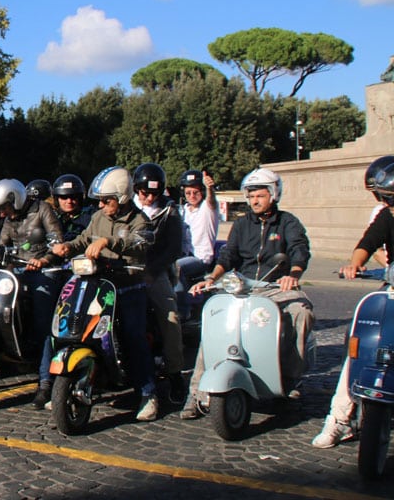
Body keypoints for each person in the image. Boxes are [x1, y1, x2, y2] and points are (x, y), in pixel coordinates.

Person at [312, 159, 394, 448]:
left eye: (390, 198)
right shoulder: (387, 217)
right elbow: (367, 243)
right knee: (364, 343)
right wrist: (354, 264)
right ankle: (339, 420)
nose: (385, 203)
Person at [181, 167, 314, 419]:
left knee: (301, 312)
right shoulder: (242, 224)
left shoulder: (288, 222)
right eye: (251, 196)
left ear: (273, 195)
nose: (254, 201)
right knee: (212, 324)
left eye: (260, 196)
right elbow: (228, 254)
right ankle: (196, 393)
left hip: (275, 287)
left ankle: (290, 378)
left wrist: (292, 276)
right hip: (242, 285)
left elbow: (299, 250)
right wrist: (212, 278)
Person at [51, 166, 159, 421]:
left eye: (106, 200)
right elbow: (85, 238)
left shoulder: (139, 220)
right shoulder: (99, 217)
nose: (101, 204)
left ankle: (148, 394)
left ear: (121, 197)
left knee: (133, 336)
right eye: (99, 200)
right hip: (98, 285)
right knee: (81, 325)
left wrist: (109, 242)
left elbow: (140, 243)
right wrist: (67, 246)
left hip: (128, 287)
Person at [0, 178, 63, 409]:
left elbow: (58, 242)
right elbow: (2, 244)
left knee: (43, 322)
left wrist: (44, 260)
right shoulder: (10, 219)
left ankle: (46, 381)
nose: (1, 214)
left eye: (3, 208)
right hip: (17, 273)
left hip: (45, 272)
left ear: (15, 200)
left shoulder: (43, 210)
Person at [132, 163, 186, 404]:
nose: (149, 197)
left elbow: (174, 248)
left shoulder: (170, 211)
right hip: (122, 270)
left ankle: (175, 373)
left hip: (153, 270)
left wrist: (152, 271)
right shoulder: (125, 206)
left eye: (155, 193)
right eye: (145, 192)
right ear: (136, 189)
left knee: (170, 316)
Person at [173, 169, 219, 319]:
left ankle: (183, 310)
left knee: (176, 267)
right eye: (188, 193)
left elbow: (211, 201)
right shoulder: (183, 210)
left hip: (201, 258)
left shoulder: (208, 208)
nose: (192, 196)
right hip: (184, 254)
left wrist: (210, 188)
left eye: (196, 192)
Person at [362, 155, 394, 268]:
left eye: (387, 195)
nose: (384, 201)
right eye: (378, 195)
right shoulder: (380, 212)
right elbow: (374, 248)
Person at [52, 174, 93, 242]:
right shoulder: (51, 217)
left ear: (80, 198)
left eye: (73, 197)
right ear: (57, 199)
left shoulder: (90, 217)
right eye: (64, 197)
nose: (69, 201)